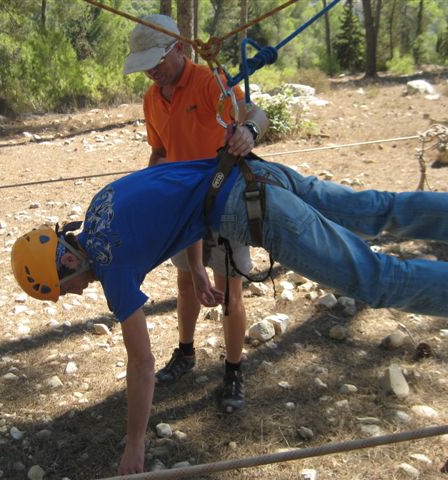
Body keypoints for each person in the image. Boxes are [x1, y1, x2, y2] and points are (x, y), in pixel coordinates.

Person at [11, 155, 448, 474]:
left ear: (68, 260)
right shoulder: (101, 204)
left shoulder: (110, 262)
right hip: (253, 171)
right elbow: (178, 197)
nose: (75, 293)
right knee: (377, 209)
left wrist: (135, 444)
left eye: (65, 287)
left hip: (256, 212)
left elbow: (141, 364)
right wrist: (198, 269)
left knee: (376, 279)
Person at [123, 14, 269, 412]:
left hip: (225, 201)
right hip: (181, 207)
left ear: (178, 49)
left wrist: (248, 131)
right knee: (186, 282)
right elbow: (160, 151)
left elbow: (255, 113)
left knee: (229, 290)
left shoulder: (209, 82)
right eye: (145, 64)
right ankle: (186, 352)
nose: (152, 71)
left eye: (156, 61)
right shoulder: (152, 98)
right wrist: (146, 194)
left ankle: (233, 370)